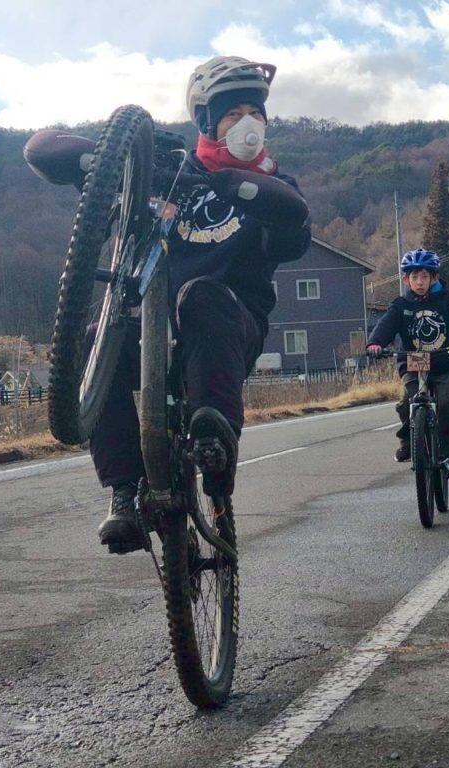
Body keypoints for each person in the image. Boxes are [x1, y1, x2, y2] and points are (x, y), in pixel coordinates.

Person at [26, 56, 311, 553]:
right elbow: (45, 149)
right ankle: (126, 492)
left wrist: (254, 195)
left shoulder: (274, 185)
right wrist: (108, 154)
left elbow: (295, 231)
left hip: (227, 328)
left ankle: (215, 442)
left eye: (255, 113)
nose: (247, 123)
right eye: (233, 113)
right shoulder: (164, 176)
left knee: (200, 295)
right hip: (151, 328)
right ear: (207, 122)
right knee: (97, 338)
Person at [366, 249, 449, 481]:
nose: (419, 282)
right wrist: (375, 343)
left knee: (446, 405)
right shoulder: (401, 305)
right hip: (412, 364)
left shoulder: (448, 301)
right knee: (405, 403)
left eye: (425, 277)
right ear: (406, 280)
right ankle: (409, 442)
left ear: (434, 278)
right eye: (414, 277)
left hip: (443, 364)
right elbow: (385, 325)